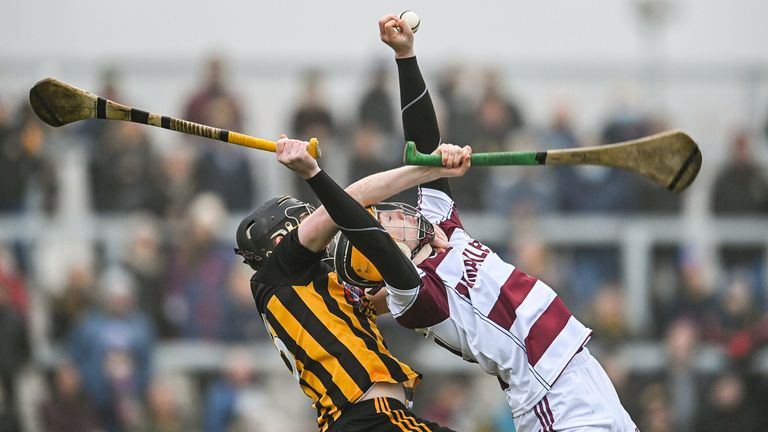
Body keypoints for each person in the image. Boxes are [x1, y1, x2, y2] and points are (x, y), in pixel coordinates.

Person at [331, 14, 638, 431]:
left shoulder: (442, 225)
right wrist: (315, 174)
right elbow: (363, 226)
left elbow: (425, 145)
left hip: (580, 366)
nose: (397, 213)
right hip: (550, 395)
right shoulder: (417, 293)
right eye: (386, 221)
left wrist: (406, 57)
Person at [234, 134, 470, 432]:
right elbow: (350, 200)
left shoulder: (312, 293)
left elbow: (399, 296)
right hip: (370, 419)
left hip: (364, 420)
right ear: (281, 240)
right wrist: (432, 170)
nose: (322, 224)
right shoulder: (277, 274)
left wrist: (427, 253)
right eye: (306, 218)